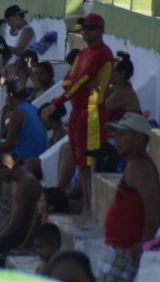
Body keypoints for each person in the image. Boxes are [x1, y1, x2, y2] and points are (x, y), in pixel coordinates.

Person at [41, 13, 115, 217]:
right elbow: (68, 81)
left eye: (90, 28)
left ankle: (90, 207)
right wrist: (79, 84)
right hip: (76, 113)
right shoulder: (82, 54)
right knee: (80, 162)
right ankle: (86, 206)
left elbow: (79, 82)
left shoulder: (103, 53)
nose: (85, 31)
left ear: (100, 31)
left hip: (91, 114)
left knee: (89, 163)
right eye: (83, 28)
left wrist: (55, 104)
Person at [100, 113, 160, 282]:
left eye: (122, 134)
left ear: (138, 138)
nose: (116, 139)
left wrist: (146, 241)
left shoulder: (139, 166)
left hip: (125, 249)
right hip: (121, 248)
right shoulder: (136, 164)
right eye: (116, 135)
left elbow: (155, 202)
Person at [0, 82, 47, 198]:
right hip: (37, 156)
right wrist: (3, 116)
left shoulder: (18, 113)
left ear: (10, 95)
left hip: (23, 158)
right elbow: (2, 134)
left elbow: (7, 145)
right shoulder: (32, 108)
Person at [0, 147, 43, 258]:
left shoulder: (25, 185)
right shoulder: (21, 180)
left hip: (23, 237)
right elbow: (11, 218)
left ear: (7, 167)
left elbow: (14, 226)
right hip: (19, 233)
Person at [17, 187, 71, 252]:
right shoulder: (46, 222)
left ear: (50, 207)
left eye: (41, 201)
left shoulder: (52, 228)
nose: (37, 203)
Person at [106, 51, 141, 122]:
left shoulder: (122, 93)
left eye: (113, 70)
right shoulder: (115, 89)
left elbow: (98, 110)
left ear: (122, 73)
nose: (108, 73)